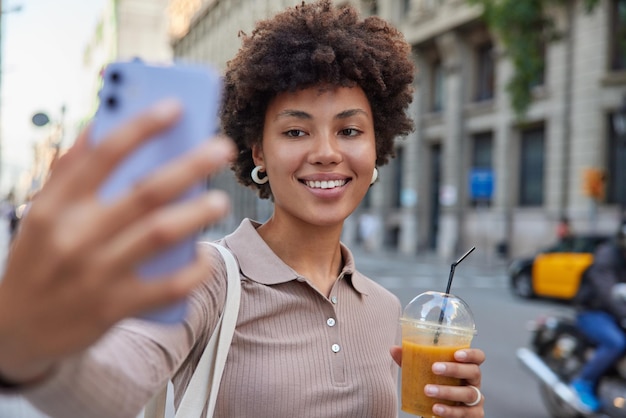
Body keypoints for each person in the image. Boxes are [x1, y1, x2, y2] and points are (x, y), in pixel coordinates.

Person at [0, 2, 485, 417]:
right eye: (296, 131)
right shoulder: (207, 276)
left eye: (350, 130)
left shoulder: (384, 307)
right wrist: (29, 352)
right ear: (258, 152)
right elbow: (117, 384)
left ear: (377, 145)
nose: (326, 152)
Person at [570, 221, 626, 412]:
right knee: (616, 342)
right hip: (592, 311)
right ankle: (583, 382)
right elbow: (607, 291)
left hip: (615, 313)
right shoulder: (607, 255)